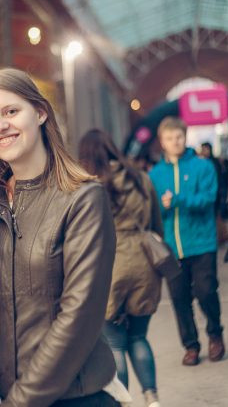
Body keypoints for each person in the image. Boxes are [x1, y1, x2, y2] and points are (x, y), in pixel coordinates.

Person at [0, 67, 131, 407]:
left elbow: (80, 315)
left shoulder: (82, 198)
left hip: (75, 395)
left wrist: (20, 401)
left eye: (11, 111)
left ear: (40, 113)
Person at [79, 129, 163, 407]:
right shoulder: (140, 176)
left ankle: (123, 403)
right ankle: (152, 399)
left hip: (110, 266)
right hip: (143, 263)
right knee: (139, 336)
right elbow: (156, 223)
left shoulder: (89, 185)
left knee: (115, 344)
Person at [149, 116, 225, 366]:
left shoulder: (203, 167)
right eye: (170, 138)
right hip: (171, 247)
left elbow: (209, 199)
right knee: (180, 299)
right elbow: (151, 209)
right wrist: (162, 206)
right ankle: (191, 345)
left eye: (179, 137)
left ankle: (215, 333)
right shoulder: (155, 174)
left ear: (185, 137)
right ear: (162, 142)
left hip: (202, 242)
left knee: (206, 291)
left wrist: (180, 200)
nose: (175, 142)